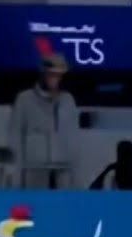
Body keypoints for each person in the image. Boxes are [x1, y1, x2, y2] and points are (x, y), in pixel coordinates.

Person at [7, 54, 79, 189]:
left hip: (63, 168)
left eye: (59, 76)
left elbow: (73, 138)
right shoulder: (25, 99)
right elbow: (14, 137)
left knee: (63, 206)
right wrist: (15, 174)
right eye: (52, 75)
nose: (56, 79)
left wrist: (76, 177)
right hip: (34, 167)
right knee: (35, 205)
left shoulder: (67, 100)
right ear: (43, 74)